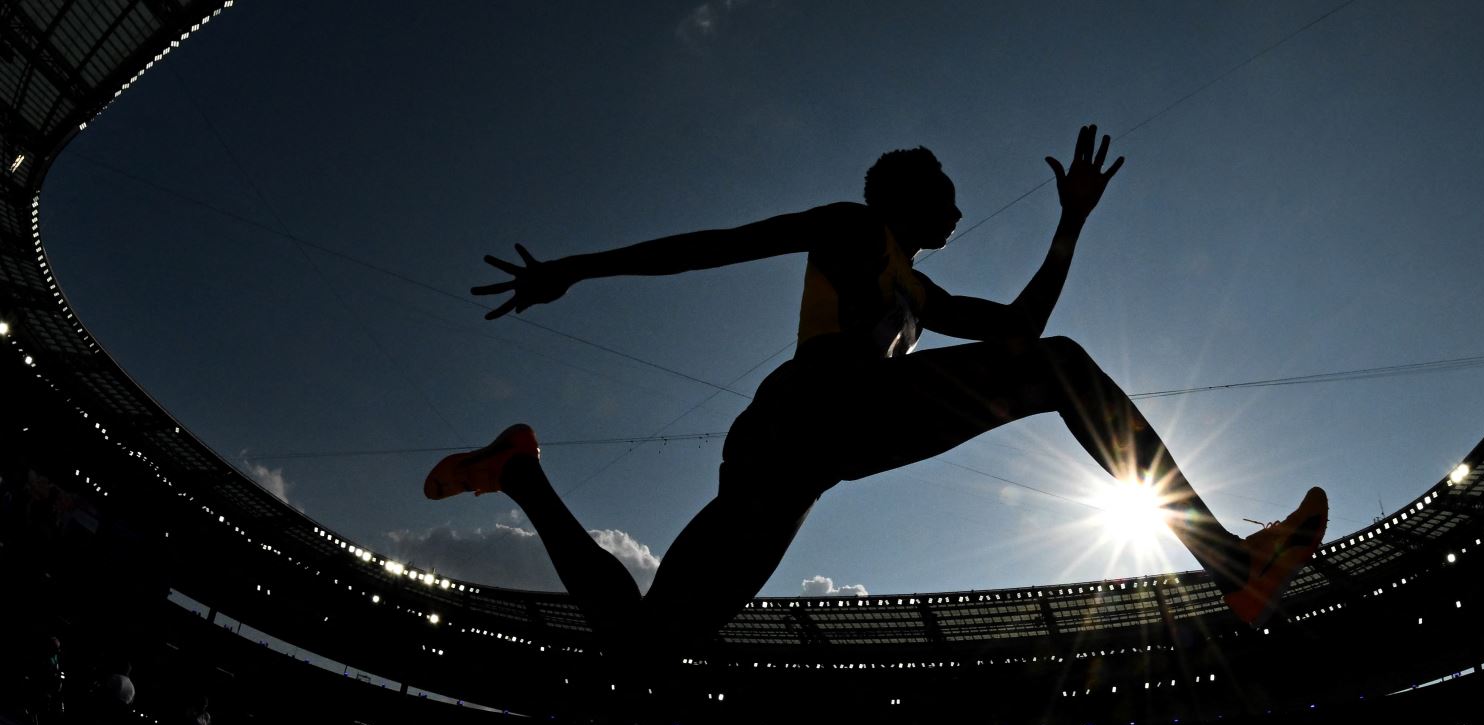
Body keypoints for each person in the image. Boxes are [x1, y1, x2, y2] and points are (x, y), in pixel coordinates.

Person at [433, 126, 1327, 659]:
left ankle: (519, 473)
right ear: (910, 195)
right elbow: (717, 242)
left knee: (649, 642)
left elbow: (1015, 325)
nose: (960, 212)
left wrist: (1069, 226)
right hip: (818, 407)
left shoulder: (921, 293)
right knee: (1063, 366)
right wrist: (575, 272)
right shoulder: (854, 228)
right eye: (948, 196)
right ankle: (1233, 565)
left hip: (796, 460)